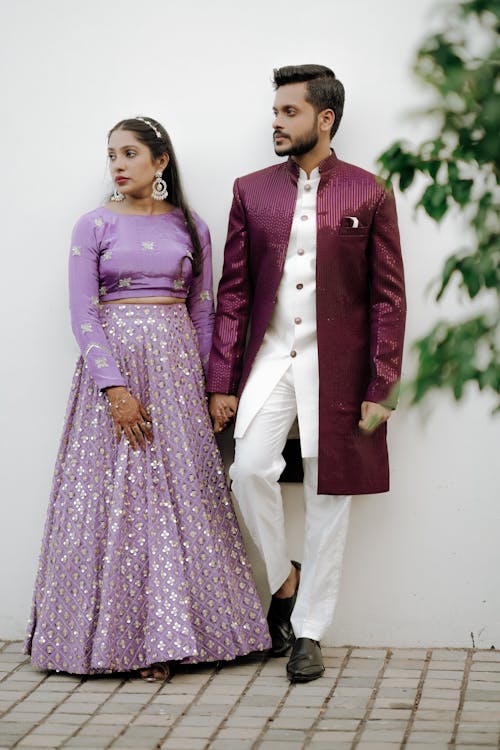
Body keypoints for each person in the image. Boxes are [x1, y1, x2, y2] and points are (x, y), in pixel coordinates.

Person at [24, 116, 271, 680]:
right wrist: (114, 390)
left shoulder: (192, 227)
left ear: (160, 162)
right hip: (115, 380)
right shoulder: (92, 225)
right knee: (116, 502)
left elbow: (204, 311)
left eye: (130, 152)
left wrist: (216, 389)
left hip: (178, 379)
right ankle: (120, 642)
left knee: (180, 500)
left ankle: (176, 638)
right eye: (111, 153)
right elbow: (82, 312)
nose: (116, 163)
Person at [207, 65, 406, 683]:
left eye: (288, 112)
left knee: (330, 495)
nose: (275, 121)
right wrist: (222, 381)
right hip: (271, 359)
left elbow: (388, 298)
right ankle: (287, 580)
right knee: (249, 470)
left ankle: (310, 631)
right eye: (274, 112)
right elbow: (234, 291)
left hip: (340, 367)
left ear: (325, 119)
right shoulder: (251, 190)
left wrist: (382, 385)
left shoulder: (369, 191)